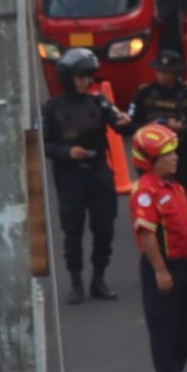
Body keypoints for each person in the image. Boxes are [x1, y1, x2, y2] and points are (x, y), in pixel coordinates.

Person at [41, 48, 132, 305]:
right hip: (71, 178)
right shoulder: (52, 108)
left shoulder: (99, 102)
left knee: (104, 228)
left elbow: (120, 124)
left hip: (99, 174)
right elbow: (43, 145)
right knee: (73, 231)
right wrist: (68, 152)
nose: (86, 81)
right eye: (81, 76)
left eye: (89, 77)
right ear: (68, 77)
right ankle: (76, 281)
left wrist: (126, 120)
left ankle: (99, 278)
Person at [130, 123, 187, 372]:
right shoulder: (146, 192)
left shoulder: (175, 187)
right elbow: (147, 234)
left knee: (183, 325)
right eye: (168, 154)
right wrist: (160, 270)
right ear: (152, 161)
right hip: (163, 265)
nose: (175, 158)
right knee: (164, 327)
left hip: (183, 264)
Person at [127, 51, 187, 194]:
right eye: (159, 71)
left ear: (175, 72)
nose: (162, 76)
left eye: (166, 72)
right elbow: (130, 126)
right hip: (151, 158)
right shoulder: (145, 93)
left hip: (180, 156)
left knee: (184, 196)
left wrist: (182, 128)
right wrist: (150, 128)